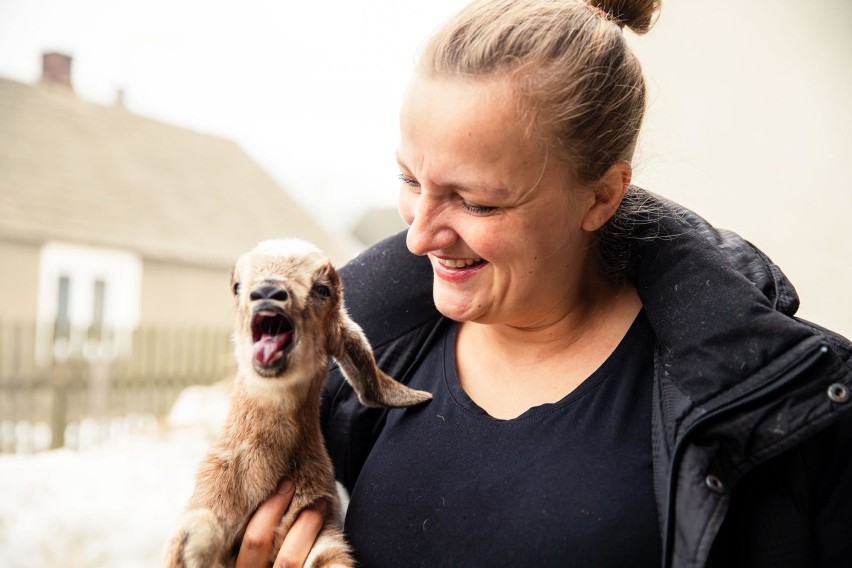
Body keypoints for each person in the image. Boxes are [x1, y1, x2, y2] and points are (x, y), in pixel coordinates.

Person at [236, 0, 852, 566]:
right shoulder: (345, 373)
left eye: (475, 203)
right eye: (409, 181)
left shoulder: (782, 405)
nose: (420, 236)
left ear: (602, 195)